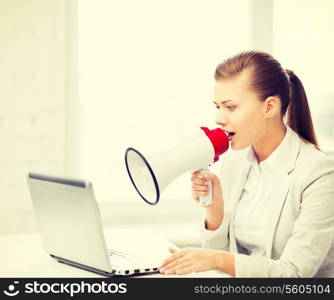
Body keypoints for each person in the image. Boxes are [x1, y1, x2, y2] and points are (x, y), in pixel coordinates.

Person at [159, 50, 334, 277]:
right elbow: (223, 262)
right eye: (217, 106)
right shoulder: (237, 160)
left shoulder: (320, 173)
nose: (219, 119)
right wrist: (215, 209)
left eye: (230, 107)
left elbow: (295, 274)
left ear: (269, 107)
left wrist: (215, 259)